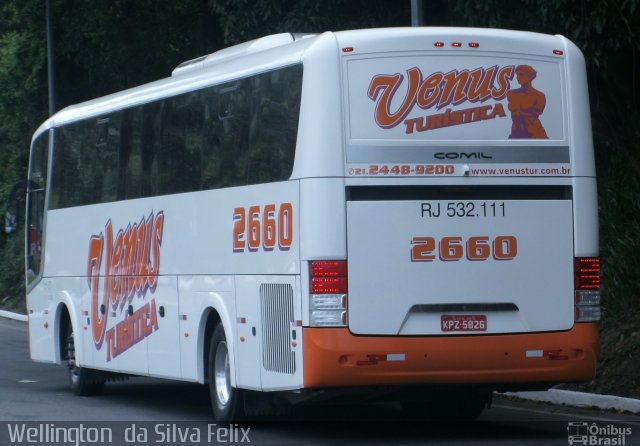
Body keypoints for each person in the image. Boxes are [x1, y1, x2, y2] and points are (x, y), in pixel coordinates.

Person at [506, 65, 548, 139]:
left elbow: (536, 114)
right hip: (515, 134)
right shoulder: (511, 93)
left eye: (521, 74)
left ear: (530, 77)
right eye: (517, 75)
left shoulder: (539, 95)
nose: (518, 77)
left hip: (535, 135)